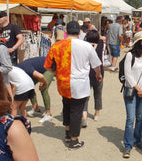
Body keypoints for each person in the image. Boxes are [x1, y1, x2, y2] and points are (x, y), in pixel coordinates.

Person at [44, 21, 102, 150]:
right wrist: (98, 74)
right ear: (80, 32)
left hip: (63, 82)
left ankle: (67, 132)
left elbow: (48, 66)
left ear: (66, 31)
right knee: (76, 110)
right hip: (79, 83)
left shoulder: (56, 46)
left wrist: (57, 72)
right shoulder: (87, 46)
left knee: (66, 106)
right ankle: (74, 139)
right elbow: (96, 65)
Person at [122, 31, 142, 159]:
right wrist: (137, 88)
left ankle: (138, 140)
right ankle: (128, 146)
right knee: (130, 118)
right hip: (131, 89)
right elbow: (127, 74)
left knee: (140, 117)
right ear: (139, 42)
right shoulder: (130, 55)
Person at [16, 56, 54, 123]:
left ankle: (48, 114)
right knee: (30, 87)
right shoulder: (18, 70)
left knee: (43, 89)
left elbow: (40, 76)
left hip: (49, 67)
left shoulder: (26, 68)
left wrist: (44, 82)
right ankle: (36, 109)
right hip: (38, 69)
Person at [81, 30, 104, 126]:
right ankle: (97, 113)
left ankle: (84, 116)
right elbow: (102, 39)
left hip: (87, 73)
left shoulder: (84, 46)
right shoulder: (100, 44)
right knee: (98, 93)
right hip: (99, 72)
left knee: (85, 95)